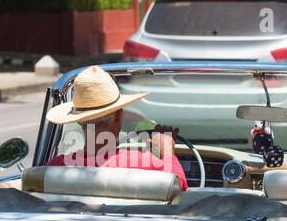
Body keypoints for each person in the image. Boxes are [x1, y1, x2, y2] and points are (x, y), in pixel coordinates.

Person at [44, 65, 187, 190]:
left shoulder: (56, 167)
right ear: (118, 116)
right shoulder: (141, 163)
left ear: (79, 121)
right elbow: (178, 185)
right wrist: (167, 150)